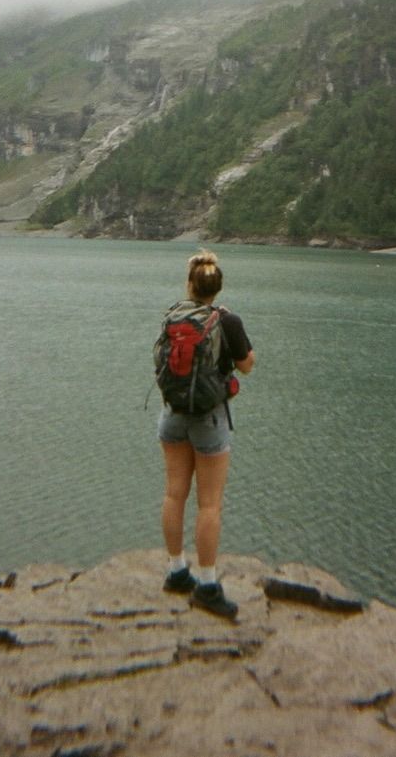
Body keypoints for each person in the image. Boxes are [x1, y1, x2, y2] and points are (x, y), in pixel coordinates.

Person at [157, 250, 254, 619]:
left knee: (173, 493)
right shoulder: (227, 321)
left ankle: (176, 571)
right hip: (209, 419)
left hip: (172, 415)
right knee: (209, 504)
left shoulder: (174, 315)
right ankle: (208, 586)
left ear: (189, 284)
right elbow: (247, 366)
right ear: (218, 287)